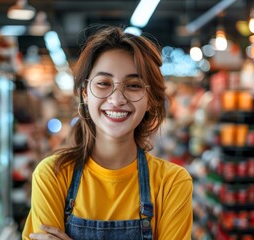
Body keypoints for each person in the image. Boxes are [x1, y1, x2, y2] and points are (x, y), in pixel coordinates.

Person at [22, 26, 193, 240]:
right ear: (85, 93)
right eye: (103, 83)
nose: (117, 99)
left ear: (150, 100)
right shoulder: (53, 176)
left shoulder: (172, 183)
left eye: (133, 85)